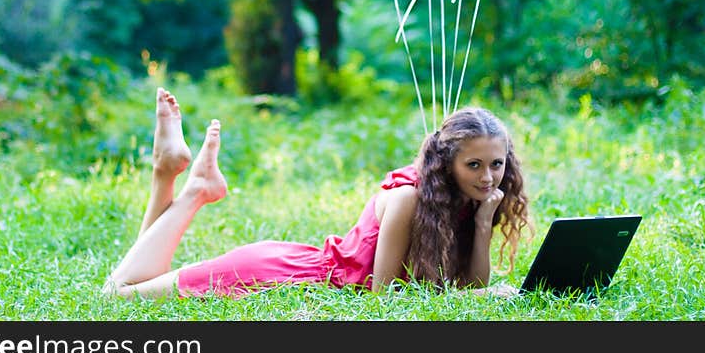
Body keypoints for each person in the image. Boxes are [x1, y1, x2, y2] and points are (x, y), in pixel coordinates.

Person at [103, 87, 532, 300]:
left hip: (297, 263)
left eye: (496, 164)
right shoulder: (408, 198)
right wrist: (474, 294)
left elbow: (473, 285)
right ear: (448, 162)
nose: (488, 177)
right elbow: (382, 297)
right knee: (116, 295)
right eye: (473, 165)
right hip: (276, 273)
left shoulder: (470, 201)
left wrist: (480, 225)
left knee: (132, 286)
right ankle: (192, 188)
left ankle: (167, 174)